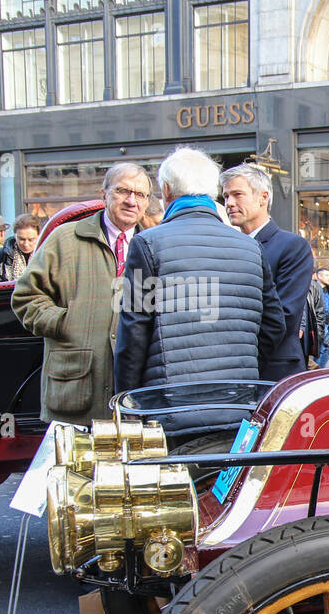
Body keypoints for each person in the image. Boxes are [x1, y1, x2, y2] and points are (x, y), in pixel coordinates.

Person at [113, 148, 285, 437]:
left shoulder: (146, 244)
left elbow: (133, 332)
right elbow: (274, 324)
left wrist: (128, 403)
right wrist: (241, 367)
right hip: (238, 406)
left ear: (166, 190)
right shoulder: (250, 247)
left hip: (170, 410)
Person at [11, 163, 151, 425]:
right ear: (104, 194)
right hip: (76, 393)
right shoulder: (65, 239)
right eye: (123, 191)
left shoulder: (153, 245)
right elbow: (26, 297)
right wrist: (66, 322)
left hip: (135, 398)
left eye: (140, 194)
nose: (131, 200)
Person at [220, 163, 315, 381]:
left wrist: (241, 360)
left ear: (263, 198)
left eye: (237, 194)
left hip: (273, 370)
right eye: (226, 196)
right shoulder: (227, 246)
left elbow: (284, 317)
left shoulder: (292, 246)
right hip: (231, 371)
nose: (229, 203)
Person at [0, 214, 41, 282]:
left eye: (31, 240)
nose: (26, 244)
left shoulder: (46, 255)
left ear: (38, 236)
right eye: (22, 239)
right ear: (15, 236)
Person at [308, 267, 329, 368]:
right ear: (318, 276)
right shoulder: (313, 288)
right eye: (326, 275)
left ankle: (319, 369)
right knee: (318, 349)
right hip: (318, 323)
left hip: (327, 323)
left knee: (325, 349)